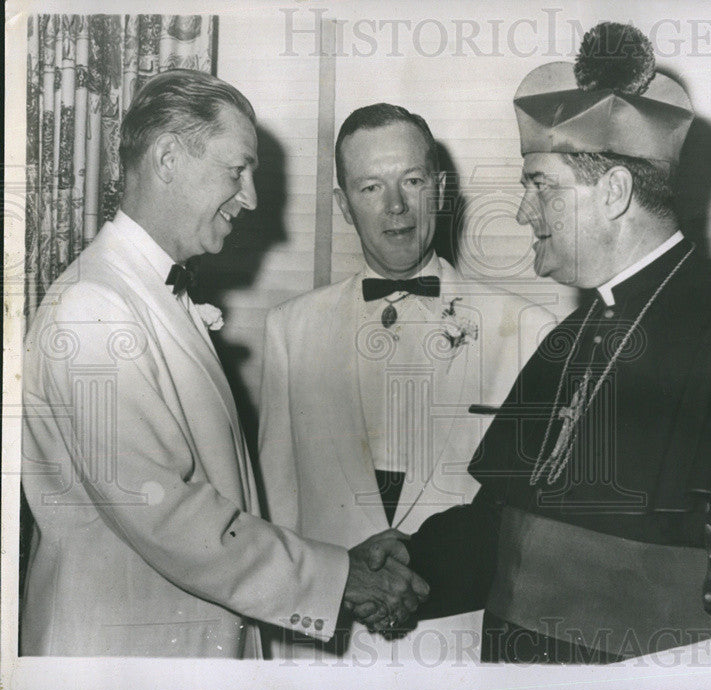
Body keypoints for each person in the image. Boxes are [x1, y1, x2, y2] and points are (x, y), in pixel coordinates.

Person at [357, 22, 711, 666]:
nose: (522, 213)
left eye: (539, 184)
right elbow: (506, 529)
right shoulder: (565, 341)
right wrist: (410, 561)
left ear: (615, 193)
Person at [19, 70, 426, 658]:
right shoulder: (93, 309)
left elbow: (220, 501)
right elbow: (169, 517)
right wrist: (339, 577)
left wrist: (340, 563)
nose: (252, 197)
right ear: (166, 159)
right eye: (237, 170)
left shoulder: (147, 292)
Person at [257, 102, 554, 664]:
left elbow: (529, 530)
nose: (395, 206)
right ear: (344, 206)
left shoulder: (526, 331)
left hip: (464, 651)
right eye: (371, 188)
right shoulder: (288, 331)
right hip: (331, 654)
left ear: (439, 190)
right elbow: (280, 513)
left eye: (411, 181)